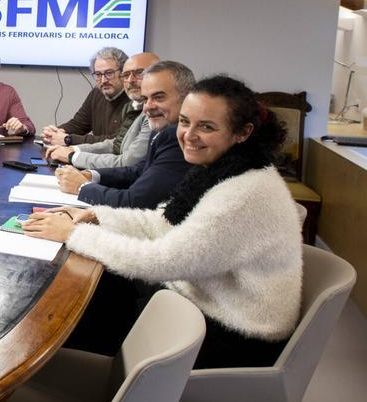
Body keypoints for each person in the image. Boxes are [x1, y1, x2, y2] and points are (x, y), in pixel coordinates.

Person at [22, 75, 302, 369]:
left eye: (206, 126)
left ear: (242, 132)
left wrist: (74, 234)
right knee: (97, 296)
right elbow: (164, 222)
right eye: (184, 122)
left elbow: (161, 261)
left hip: (233, 339)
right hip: (206, 305)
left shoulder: (243, 193)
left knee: (70, 318)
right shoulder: (226, 167)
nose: (188, 135)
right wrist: (96, 216)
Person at [54, 60, 197, 209]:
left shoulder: (179, 137)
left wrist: (81, 187)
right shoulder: (162, 130)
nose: (148, 107)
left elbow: (133, 201)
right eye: (145, 99)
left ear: (187, 96)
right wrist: (91, 175)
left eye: (159, 97)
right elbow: (137, 171)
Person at [47, 52, 158, 169]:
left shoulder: (152, 111)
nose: (130, 80)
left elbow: (126, 163)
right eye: (127, 75)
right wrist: (66, 142)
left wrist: (72, 154)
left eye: (139, 73)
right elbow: (116, 144)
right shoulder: (136, 105)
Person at [41, 46, 131, 145]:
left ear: (124, 73)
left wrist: (68, 139)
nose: (103, 80)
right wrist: (55, 132)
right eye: (98, 74)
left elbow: (116, 141)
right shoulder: (97, 93)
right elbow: (78, 125)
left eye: (109, 73)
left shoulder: (134, 100)